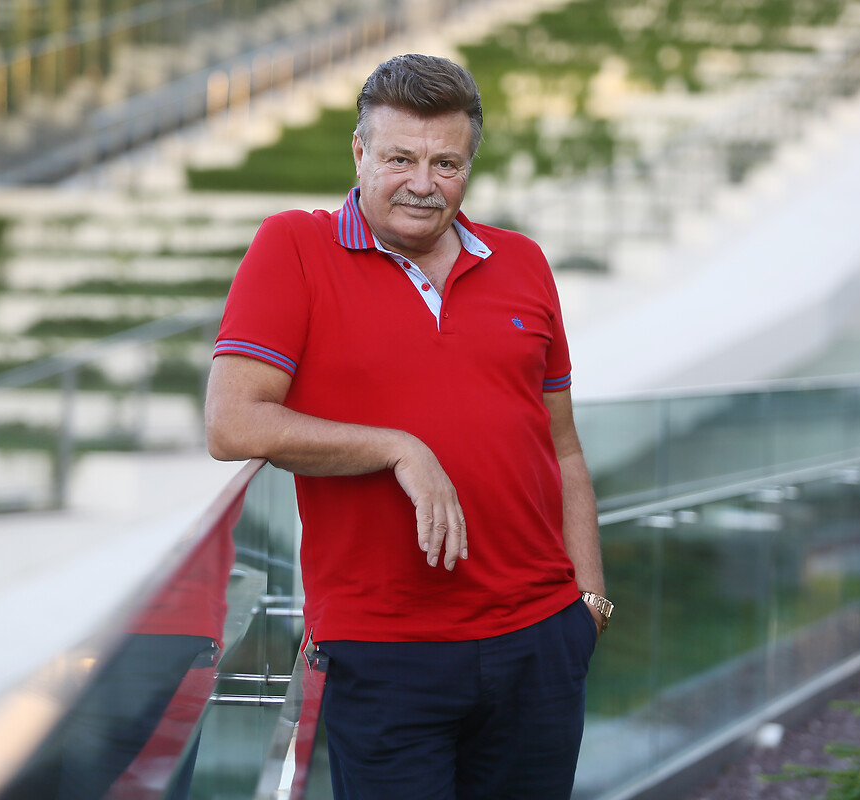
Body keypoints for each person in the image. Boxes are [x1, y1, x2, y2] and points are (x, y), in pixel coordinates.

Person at [205, 53, 613, 800]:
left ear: (468, 166)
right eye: (400, 159)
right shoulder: (294, 247)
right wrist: (398, 448)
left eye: (445, 163)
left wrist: (588, 606)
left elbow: (563, 448)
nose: (423, 183)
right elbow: (232, 423)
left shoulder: (522, 261)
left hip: (540, 642)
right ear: (359, 152)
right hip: (385, 652)